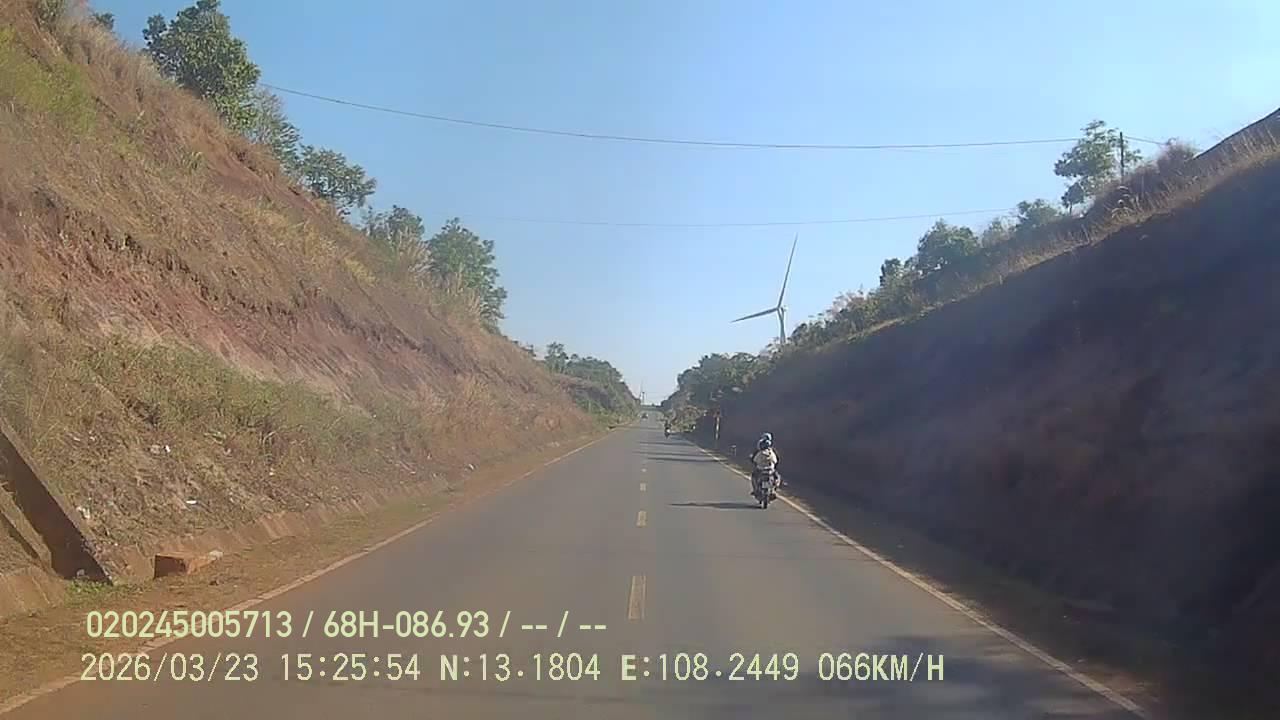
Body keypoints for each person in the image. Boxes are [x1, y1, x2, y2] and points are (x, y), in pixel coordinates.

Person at [748, 432, 779, 499]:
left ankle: (756, 490)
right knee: (777, 478)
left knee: (754, 476)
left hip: (760, 469)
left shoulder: (760, 451)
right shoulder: (772, 451)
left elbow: (755, 459)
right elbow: (775, 461)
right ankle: (773, 490)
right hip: (770, 469)